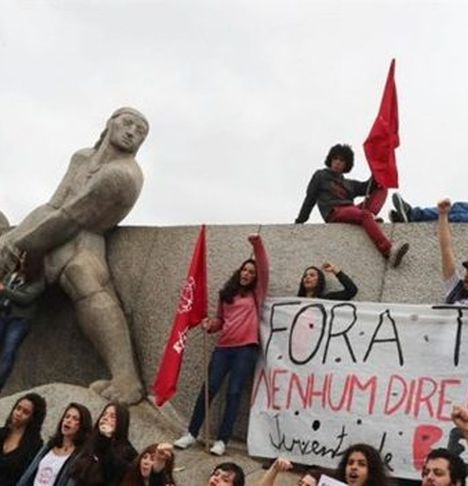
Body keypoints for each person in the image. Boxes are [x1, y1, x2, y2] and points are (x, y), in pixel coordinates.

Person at [0, 107, 150, 404]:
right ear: (110, 123)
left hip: (84, 237)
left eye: (141, 130)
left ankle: (126, 378)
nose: (132, 131)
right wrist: (12, 240)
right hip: (49, 229)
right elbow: (53, 206)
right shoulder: (81, 158)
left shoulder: (123, 175)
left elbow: (71, 218)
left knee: (83, 275)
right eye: (127, 123)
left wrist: (20, 242)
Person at [174, 234, 269, 456]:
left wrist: (257, 245)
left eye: (251, 272)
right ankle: (191, 433)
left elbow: (264, 268)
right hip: (223, 349)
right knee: (209, 389)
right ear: (239, 273)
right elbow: (220, 321)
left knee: (234, 393)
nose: (247, 274)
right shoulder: (226, 295)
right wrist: (210, 325)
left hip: (246, 349)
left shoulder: (256, 294)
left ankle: (222, 440)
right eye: (244, 270)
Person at [295, 143, 409, 267]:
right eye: (335, 159)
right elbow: (310, 198)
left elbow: (369, 186)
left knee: (382, 187)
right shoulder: (321, 175)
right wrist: (300, 221)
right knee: (364, 215)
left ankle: (371, 217)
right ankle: (388, 250)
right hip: (334, 212)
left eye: (342, 160)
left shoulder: (349, 183)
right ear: (330, 160)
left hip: (351, 210)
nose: (338, 162)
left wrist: (377, 169)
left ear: (346, 164)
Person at [0, 250, 45, 391]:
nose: (21, 260)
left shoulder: (38, 281)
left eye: (25, 258)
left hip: (19, 320)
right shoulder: (12, 275)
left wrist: (4, 290)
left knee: (8, 351)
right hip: (2, 314)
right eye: (21, 257)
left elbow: (25, 298)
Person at [18, 402, 92, 486]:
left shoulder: (79, 455)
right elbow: (29, 473)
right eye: (67, 416)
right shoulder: (49, 446)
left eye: (75, 419)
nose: (68, 420)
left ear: (82, 425)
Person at [69, 402, 137, 485]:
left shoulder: (128, 452)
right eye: (104, 414)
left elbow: (111, 470)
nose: (105, 418)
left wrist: (106, 438)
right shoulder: (89, 442)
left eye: (112, 416)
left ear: (121, 422)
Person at [0, 392, 46, 485]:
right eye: (18, 408)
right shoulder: (1, 433)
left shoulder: (34, 446)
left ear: (33, 418)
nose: (19, 413)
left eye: (25, 412)